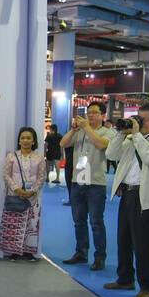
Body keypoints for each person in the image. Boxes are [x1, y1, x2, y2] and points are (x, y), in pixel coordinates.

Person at [103, 104, 149, 297]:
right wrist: (119, 133)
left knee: (143, 244)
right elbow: (111, 155)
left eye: (144, 120)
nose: (140, 123)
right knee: (123, 239)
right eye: (138, 119)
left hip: (146, 197)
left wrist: (136, 135)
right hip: (128, 193)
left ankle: (148, 286)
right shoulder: (131, 138)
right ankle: (125, 278)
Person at [60, 101, 115, 270]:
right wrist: (73, 129)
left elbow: (100, 144)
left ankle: (99, 257)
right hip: (77, 180)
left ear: (103, 115)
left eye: (94, 112)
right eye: (88, 112)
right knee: (78, 221)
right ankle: (81, 253)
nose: (90, 115)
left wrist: (87, 128)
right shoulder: (80, 131)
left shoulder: (108, 132)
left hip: (96, 182)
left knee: (96, 221)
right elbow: (63, 144)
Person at [0, 127, 45, 261]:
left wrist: (32, 191)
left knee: (31, 223)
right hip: (14, 195)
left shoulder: (39, 158)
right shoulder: (11, 157)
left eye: (29, 138)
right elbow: (6, 175)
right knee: (14, 223)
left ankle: (28, 252)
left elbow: (41, 177)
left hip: (32, 198)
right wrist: (17, 189)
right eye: (23, 138)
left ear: (33, 141)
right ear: (19, 140)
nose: (25, 140)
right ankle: (13, 252)